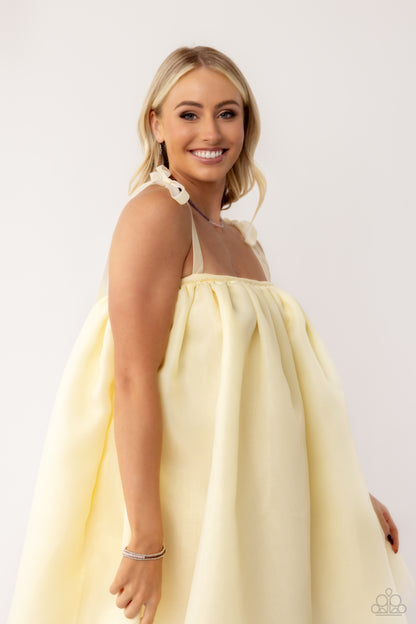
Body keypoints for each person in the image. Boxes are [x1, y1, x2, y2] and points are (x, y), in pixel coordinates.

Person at [7, 46, 414, 624]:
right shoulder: (157, 214)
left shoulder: (244, 242)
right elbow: (131, 377)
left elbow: (276, 396)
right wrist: (145, 540)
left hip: (248, 497)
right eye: (189, 114)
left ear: (246, 124)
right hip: (185, 500)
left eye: (228, 113)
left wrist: (347, 493)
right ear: (157, 124)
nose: (211, 132)